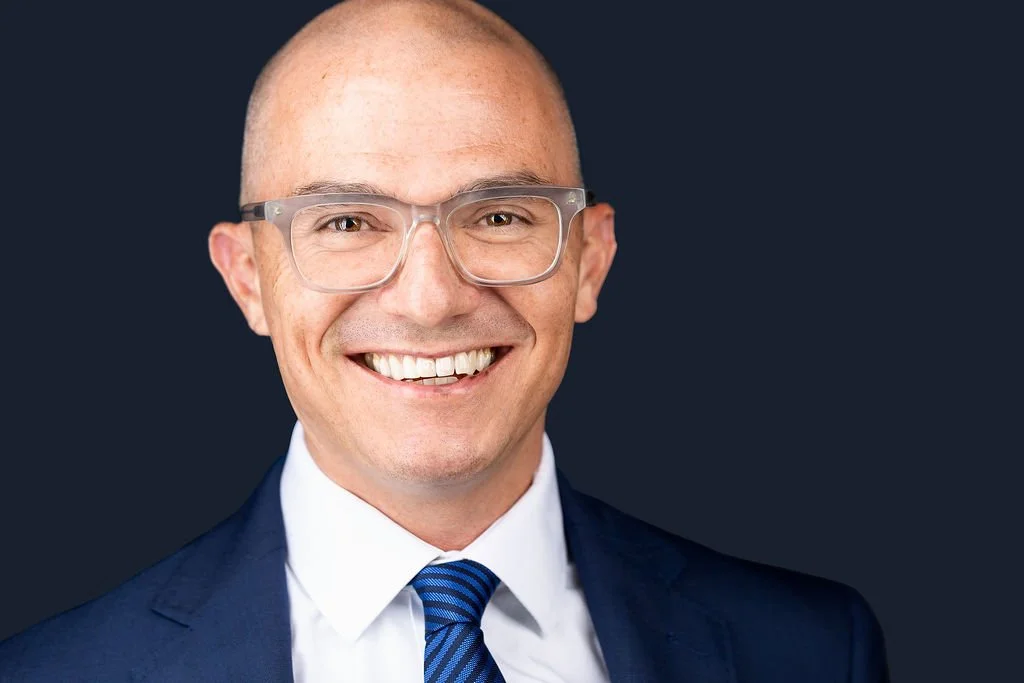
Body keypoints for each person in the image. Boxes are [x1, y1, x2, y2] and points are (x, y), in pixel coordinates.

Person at [0, 1, 889, 681]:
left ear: (589, 261)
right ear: (247, 279)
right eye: (347, 222)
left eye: (499, 215)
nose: (430, 301)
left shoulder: (812, 649)